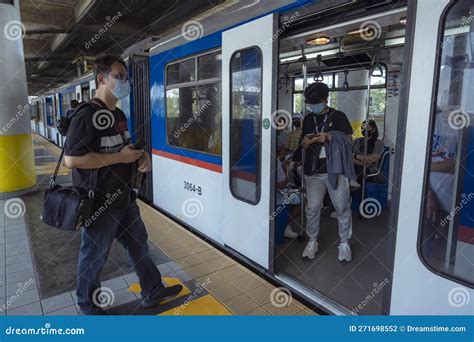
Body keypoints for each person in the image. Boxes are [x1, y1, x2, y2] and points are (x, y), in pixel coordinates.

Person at [63, 55, 182, 315]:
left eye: (126, 77)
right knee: (95, 255)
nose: (125, 82)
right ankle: (87, 304)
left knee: (140, 246)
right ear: (102, 79)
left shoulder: (117, 114)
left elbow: (124, 148)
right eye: (119, 77)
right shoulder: (87, 115)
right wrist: (120, 157)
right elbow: (72, 160)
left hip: (124, 197)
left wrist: (141, 156)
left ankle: (153, 290)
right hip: (99, 202)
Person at [299, 82, 354, 261]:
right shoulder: (308, 119)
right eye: (310, 103)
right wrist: (305, 142)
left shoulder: (339, 117)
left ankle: (344, 243)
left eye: (316, 102)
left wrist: (329, 136)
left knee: (341, 207)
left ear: (325, 99)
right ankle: (312, 241)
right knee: (312, 207)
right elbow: (302, 140)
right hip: (313, 171)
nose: (313, 106)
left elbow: (348, 142)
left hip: (335, 170)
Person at [352, 118, 384, 184]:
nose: (364, 130)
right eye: (362, 128)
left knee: (358, 170)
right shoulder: (357, 141)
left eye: (367, 128)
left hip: (370, 171)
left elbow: (370, 162)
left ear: (373, 130)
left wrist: (355, 156)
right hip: (354, 167)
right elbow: (348, 156)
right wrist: (362, 160)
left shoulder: (378, 143)